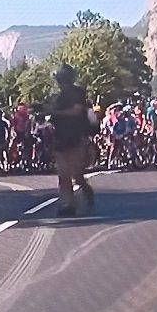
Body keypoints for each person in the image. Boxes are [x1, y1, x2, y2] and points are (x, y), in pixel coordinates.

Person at [48, 64, 94, 217]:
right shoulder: (59, 97)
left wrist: (56, 112)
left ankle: (84, 188)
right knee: (63, 173)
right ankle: (68, 204)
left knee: (75, 173)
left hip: (75, 136)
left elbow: (77, 111)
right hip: (61, 137)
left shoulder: (77, 92)